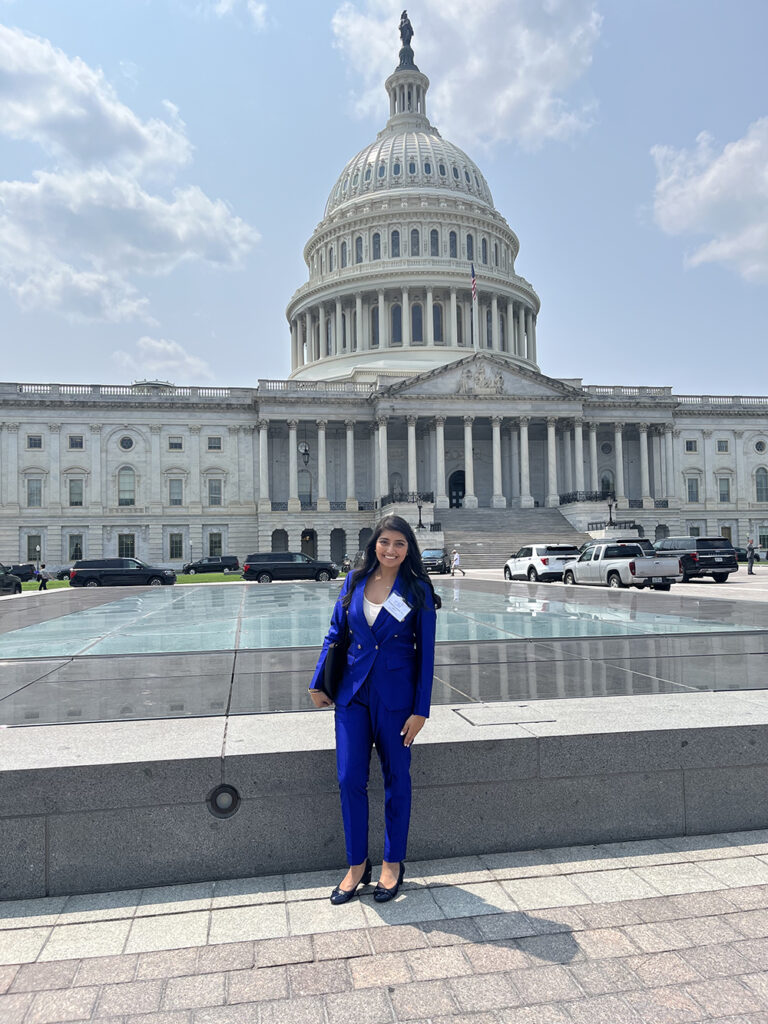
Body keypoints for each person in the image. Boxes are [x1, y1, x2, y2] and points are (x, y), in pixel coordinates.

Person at [308, 515, 440, 905]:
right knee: (350, 777)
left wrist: (421, 710)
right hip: (352, 694)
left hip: (397, 701)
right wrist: (319, 681)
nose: (391, 550)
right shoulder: (355, 580)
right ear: (374, 544)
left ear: (408, 549)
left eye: (400, 544)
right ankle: (356, 865)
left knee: (396, 778)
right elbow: (336, 633)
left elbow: (426, 656)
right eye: (385, 542)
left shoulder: (417, 589)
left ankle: (392, 863)